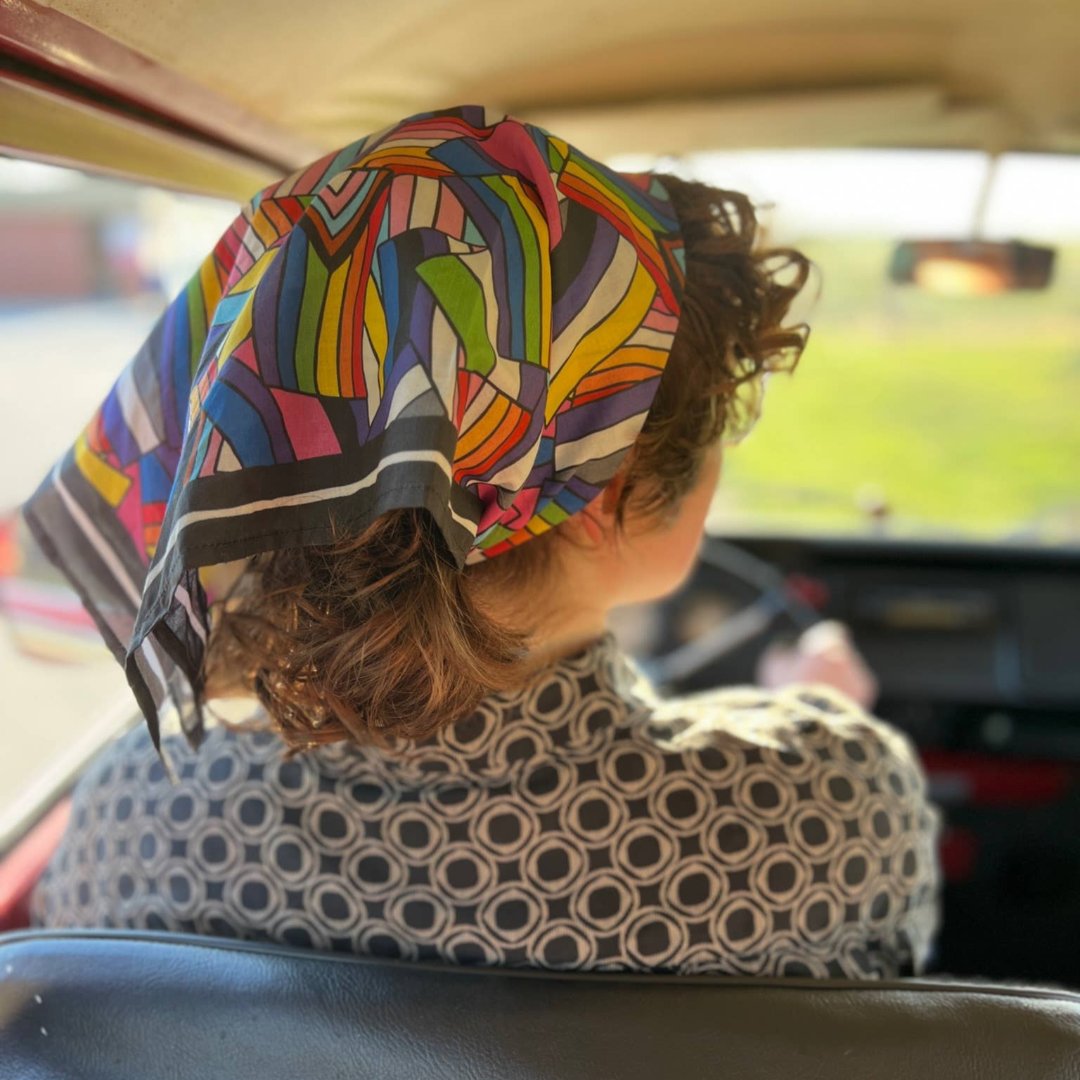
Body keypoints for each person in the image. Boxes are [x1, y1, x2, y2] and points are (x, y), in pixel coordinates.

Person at [27, 106, 940, 977]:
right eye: (719, 432)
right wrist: (831, 712)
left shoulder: (128, 813)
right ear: (605, 491)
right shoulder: (828, 813)